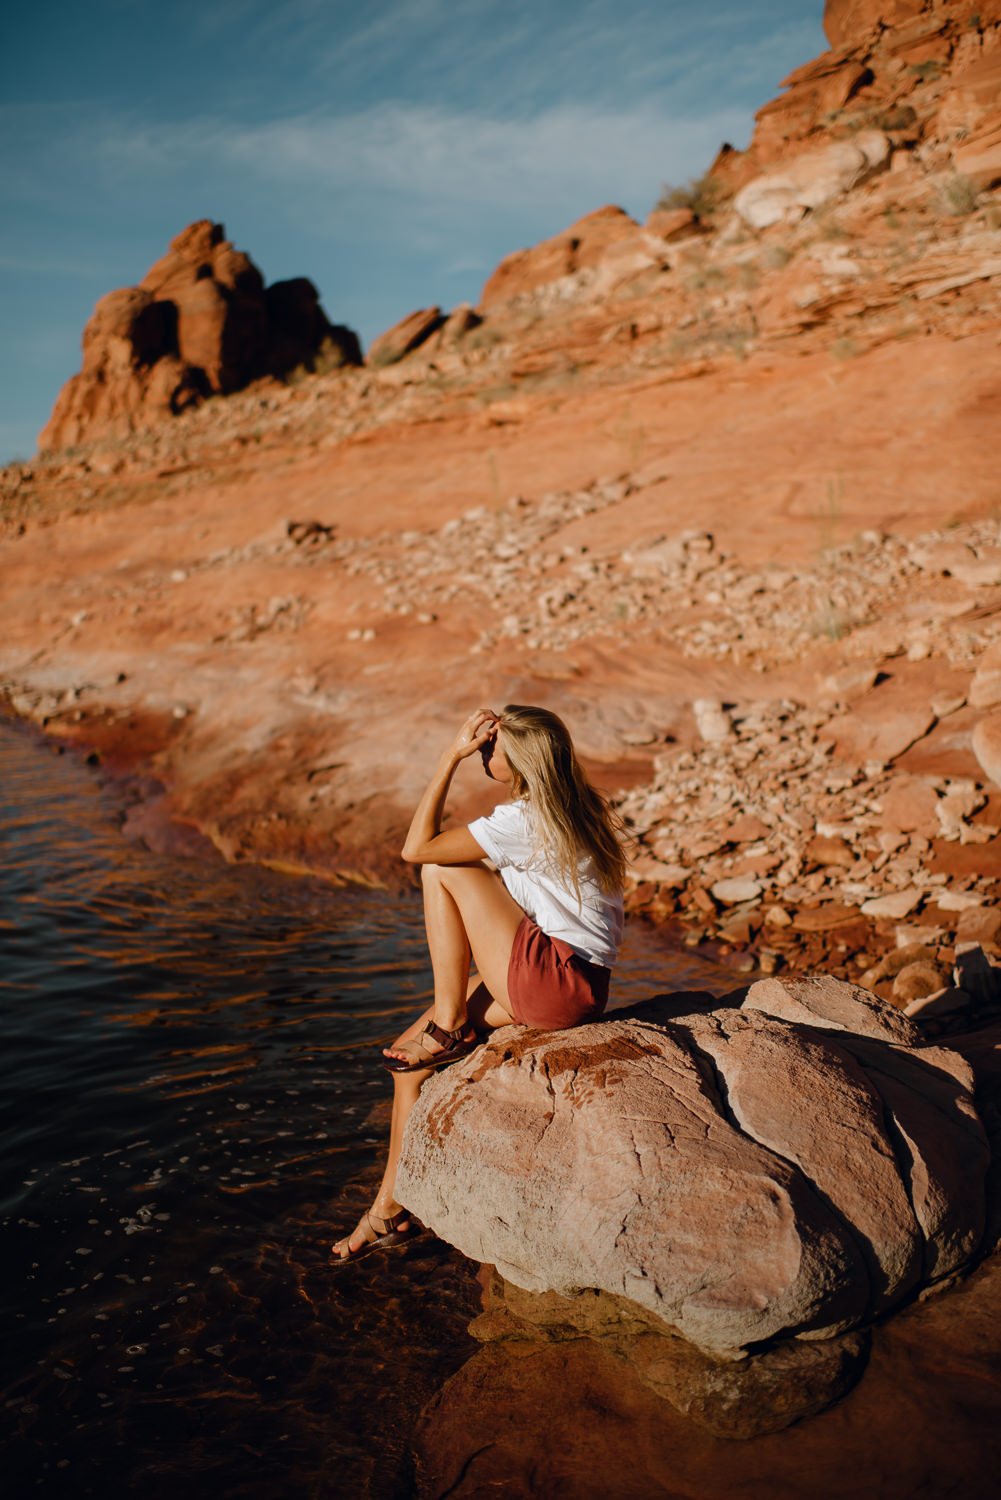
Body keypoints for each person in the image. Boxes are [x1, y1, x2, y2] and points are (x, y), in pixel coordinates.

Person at [331, 704, 627, 1263]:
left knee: (439, 868)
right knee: (406, 1063)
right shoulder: (576, 809)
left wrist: (449, 756)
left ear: (517, 761)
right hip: (578, 983)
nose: (482, 755)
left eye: (490, 749)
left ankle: (449, 1024)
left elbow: (416, 849)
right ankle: (387, 1211)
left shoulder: (524, 821)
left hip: (552, 978)